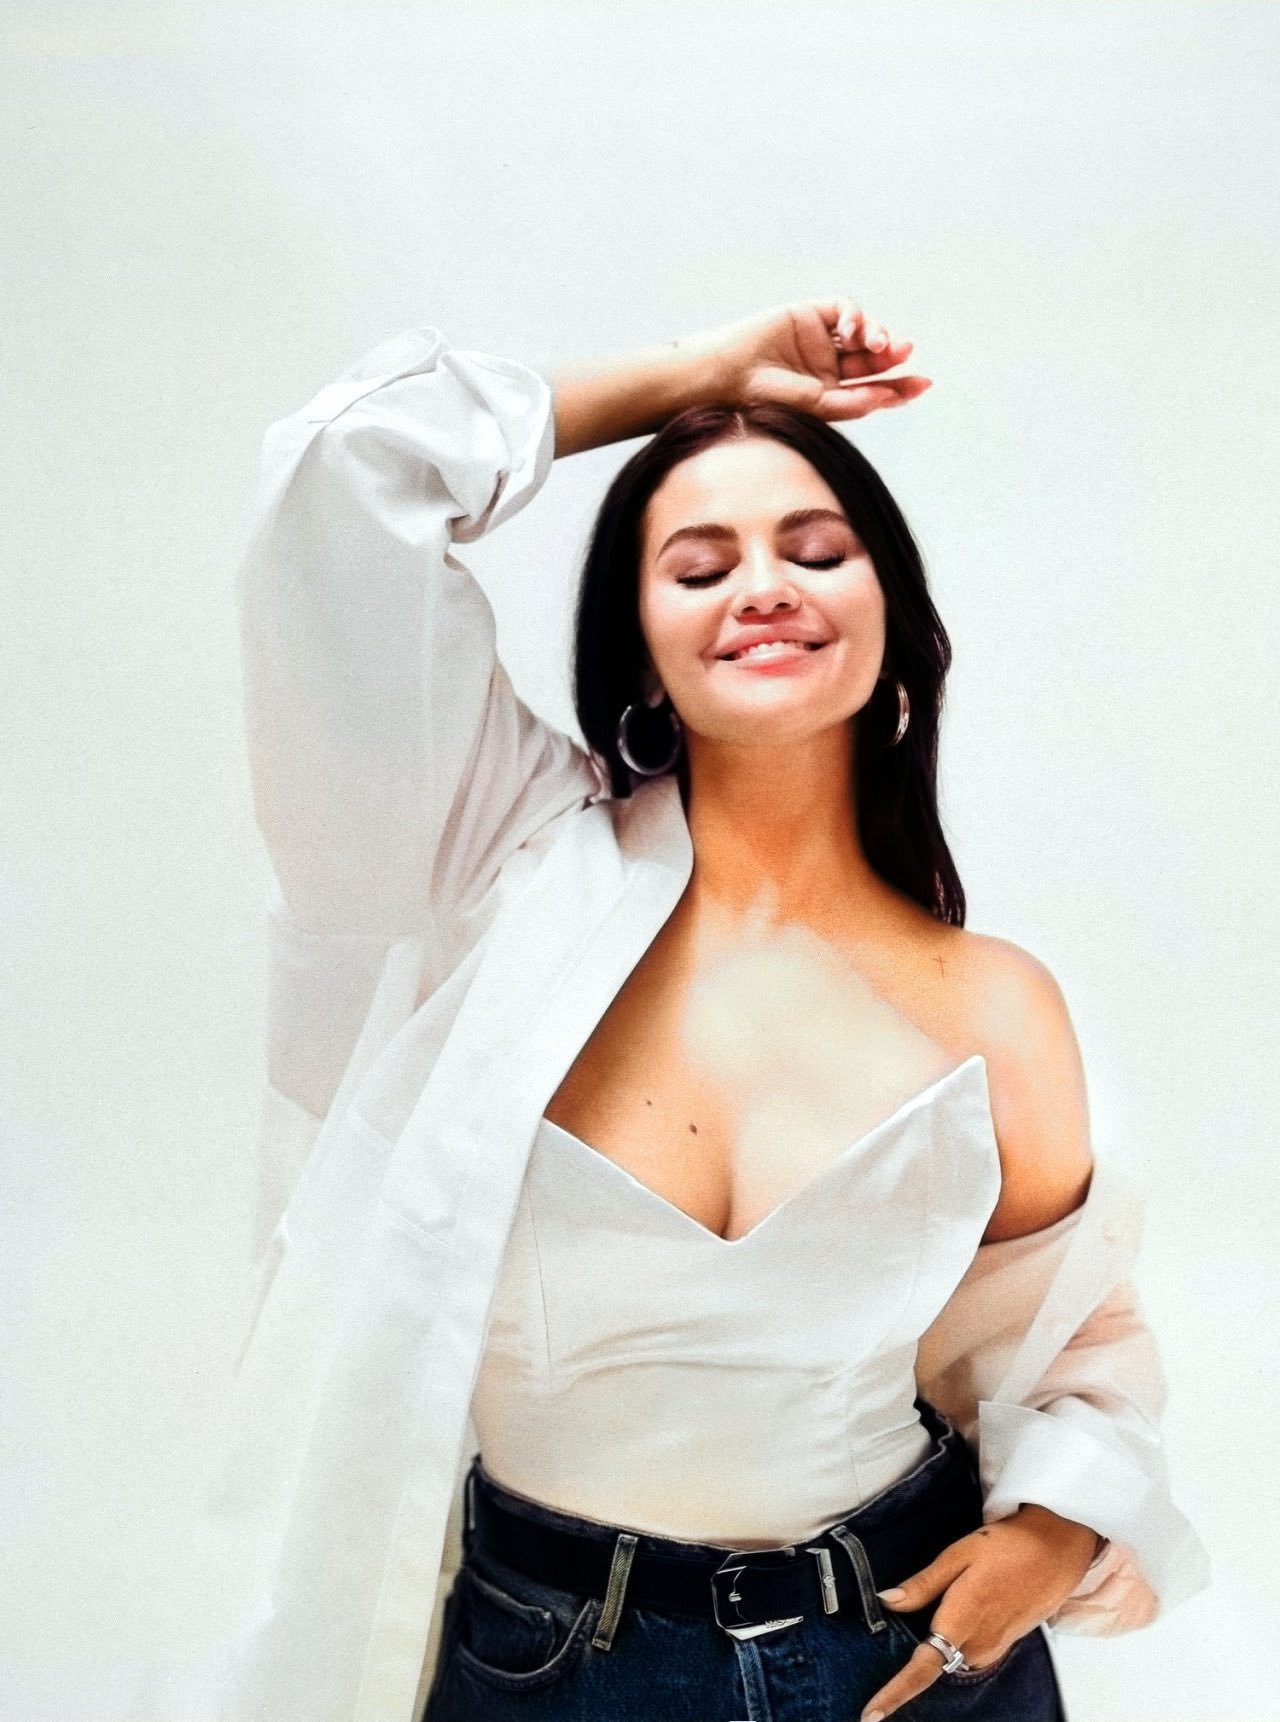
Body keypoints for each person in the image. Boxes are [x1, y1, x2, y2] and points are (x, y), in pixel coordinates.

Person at [152, 301, 1206, 1722]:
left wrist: (1055, 1530)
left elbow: (1067, 1345)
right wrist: (697, 380)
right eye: (700, 565)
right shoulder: (500, 877)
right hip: (546, 1670)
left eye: (815, 551)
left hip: (905, 1661)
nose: (763, 585)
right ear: (642, 645)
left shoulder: (994, 1005)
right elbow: (344, 476)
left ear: (892, 624)